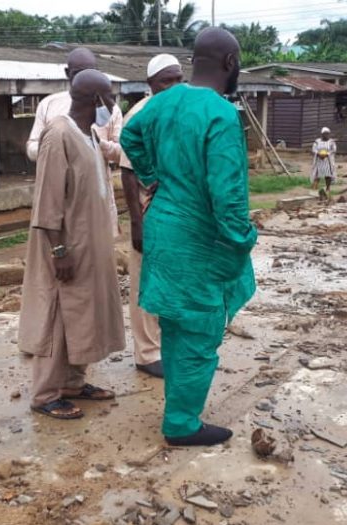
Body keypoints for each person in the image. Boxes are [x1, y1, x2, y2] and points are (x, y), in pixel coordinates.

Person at [121, 27, 256, 447]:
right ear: (230, 63)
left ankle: (178, 408)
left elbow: (129, 135)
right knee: (200, 327)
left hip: (163, 228)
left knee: (175, 323)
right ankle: (181, 423)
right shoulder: (221, 115)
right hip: (199, 237)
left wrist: (152, 177)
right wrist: (241, 240)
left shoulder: (162, 101)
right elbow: (228, 195)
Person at [19, 70, 126, 419]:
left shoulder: (90, 133)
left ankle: (73, 383)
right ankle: (45, 394)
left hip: (90, 241)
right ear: (95, 99)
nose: (113, 104)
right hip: (66, 245)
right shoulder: (58, 134)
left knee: (82, 312)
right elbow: (48, 199)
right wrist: (59, 250)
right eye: (109, 97)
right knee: (57, 314)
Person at [118, 54, 185, 379]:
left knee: (172, 281)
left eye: (178, 79)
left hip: (178, 213)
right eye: (165, 81)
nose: (173, 86)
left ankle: (165, 345)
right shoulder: (139, 116)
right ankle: (146, 353)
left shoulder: (181, 111)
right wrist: (137, 224)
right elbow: (128, 172)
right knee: (146, 282)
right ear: (150, 84)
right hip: (150, 212)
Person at [26, 48, 125, 235]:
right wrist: (59, 149)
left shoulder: (109, 109)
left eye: (90, 72)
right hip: (61, 196)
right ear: (67, 73)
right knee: (63, 240)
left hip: (98, 196)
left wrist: (99, 146)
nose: (84, 79)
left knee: (99, 245)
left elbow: (123, 154)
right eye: (78, 74)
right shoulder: (49, 105)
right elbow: (31, 146)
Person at [310, 127, 337, 199]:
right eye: (325, 134)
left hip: (328, 161)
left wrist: (326, 154)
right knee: (317, 175)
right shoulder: (317, 141)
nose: (326, 135)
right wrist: (318, 154)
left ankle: (328, 189)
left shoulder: (331, 142)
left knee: (328, 175)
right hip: (319, 160)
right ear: (322, 134)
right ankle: (314, 190)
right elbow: (314, 149)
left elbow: (334, 150)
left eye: (328, 134)